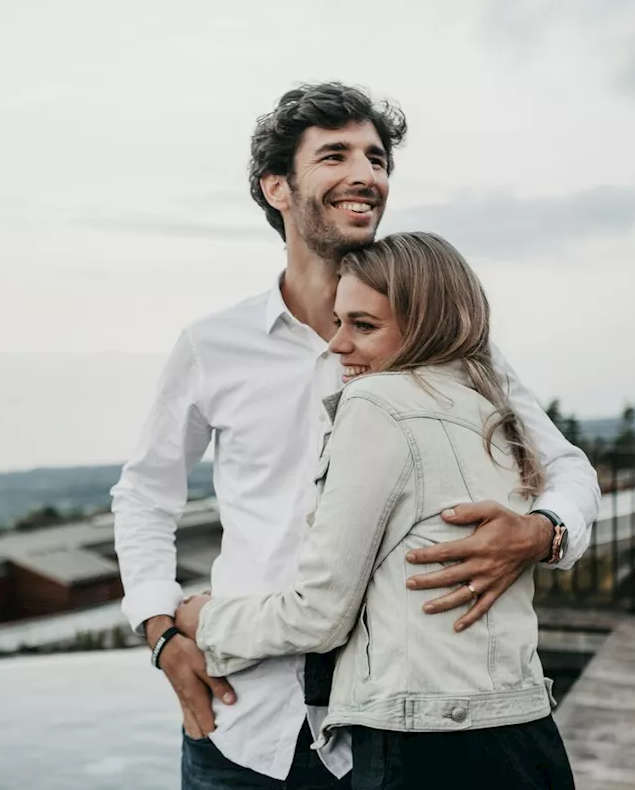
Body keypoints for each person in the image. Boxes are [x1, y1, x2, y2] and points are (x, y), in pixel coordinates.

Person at [111, 82, 599, 789]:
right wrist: (160, 632)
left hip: (395, 738)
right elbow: (145, 496)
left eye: (376, 157)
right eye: (335, 155)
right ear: (277, 187)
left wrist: (543, 532)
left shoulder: (451, 349)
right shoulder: (212, 345)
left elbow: (568, 468)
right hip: (244, 723)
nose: (366, 174)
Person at [175, 231, 578, 789]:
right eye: (340, 322)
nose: (337, 345)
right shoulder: (492, 408)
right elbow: (569, 469)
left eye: (363, 326)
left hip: (424, 749)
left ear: (427, 325)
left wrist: (203, 620)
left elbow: (319, 614)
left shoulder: (374, 404)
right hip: (525, 730)